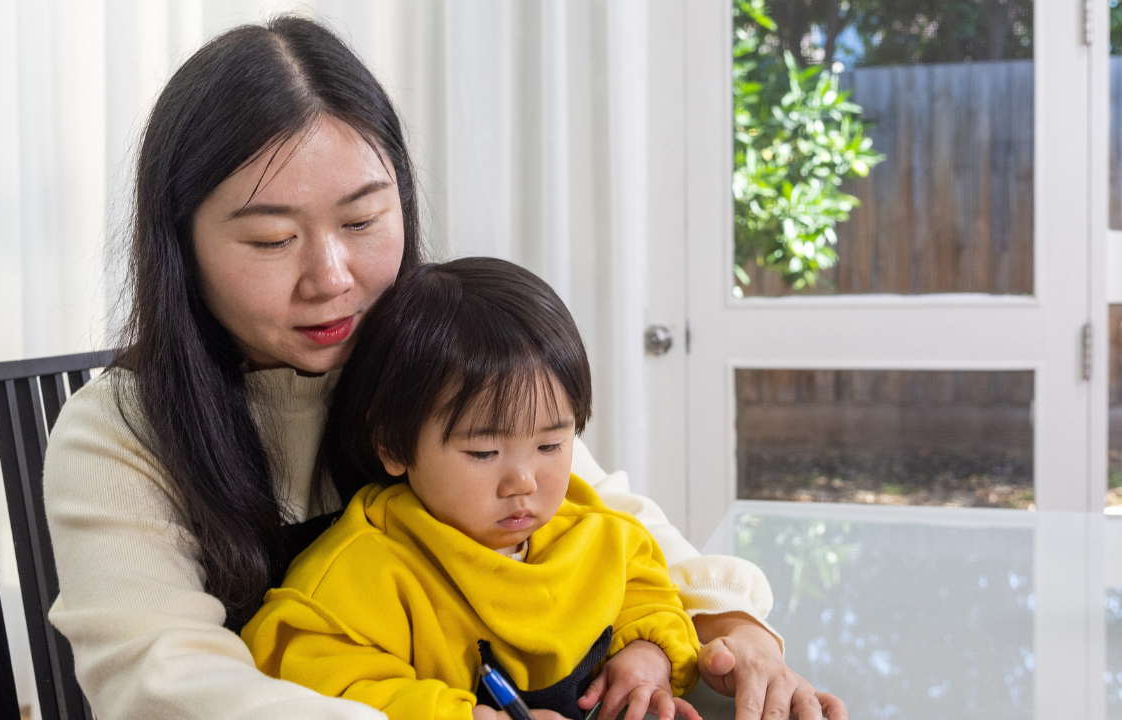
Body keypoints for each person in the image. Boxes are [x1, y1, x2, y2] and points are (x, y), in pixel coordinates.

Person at [42, 15, 848, 720]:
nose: (331, 277)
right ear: (180, 245)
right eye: (270, 240)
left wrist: (731, 628)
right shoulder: (118, 434)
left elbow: (608, 520)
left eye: (362, 219)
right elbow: (163, 685)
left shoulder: (432, 363)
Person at [243, 257, 702, 720]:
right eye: (483, 453)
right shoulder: (365, 572)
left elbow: (648, 594)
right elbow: (312, 682)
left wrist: (648, 655)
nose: (523, 481)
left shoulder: (597, 534)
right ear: (393, 447)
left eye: (550, 444)